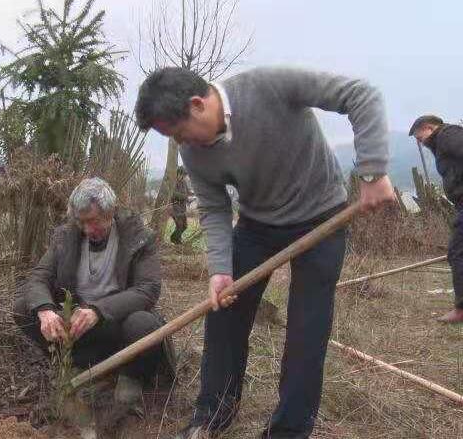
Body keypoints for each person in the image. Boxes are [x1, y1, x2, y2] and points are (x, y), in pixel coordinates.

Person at [134, 66, 395, 439]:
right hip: (258, 225)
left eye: (178, 132)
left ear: (197, 105)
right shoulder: (193, 153)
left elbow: (360, 94)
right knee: (224, 314)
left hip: (322, 217)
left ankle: (288, 430)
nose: (180, 143)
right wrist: (220, 270)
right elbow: (214, 208)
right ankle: (211, 418)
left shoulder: (269, 86)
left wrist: (372, 171)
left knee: (307, 329)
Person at [13, 177, 174, 424]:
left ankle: (130, 376)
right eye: (82, 222)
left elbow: (148, 289)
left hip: (117, 325)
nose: (88, 229)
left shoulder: (138, 238)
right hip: (78, 328)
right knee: (23, 308)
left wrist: (98, 310)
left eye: (94, 221)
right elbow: (38, 277)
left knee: (144, 323)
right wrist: (45, 310)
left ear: (111, 212)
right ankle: (78, 366)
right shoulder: (65, 237)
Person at [410, 115, 463, 324]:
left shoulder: (447, 136)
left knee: (457, 252)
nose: (420, 142)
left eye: (419, 137)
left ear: (429, 128)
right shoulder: (442, 142)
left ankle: (461, 309)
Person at [170, 166, 192, 244]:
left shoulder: (184, 182)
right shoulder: (173, 182)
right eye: (183, 175)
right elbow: (173, 194)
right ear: (179, 174)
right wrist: (185, 197)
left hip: (182, 208)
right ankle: (175, 240)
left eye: (185, 176)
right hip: (175, 208)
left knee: (185, 226)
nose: (184, 177)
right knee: (179, 226)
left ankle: (175, 239)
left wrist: (193, 195)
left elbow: (188, 192)